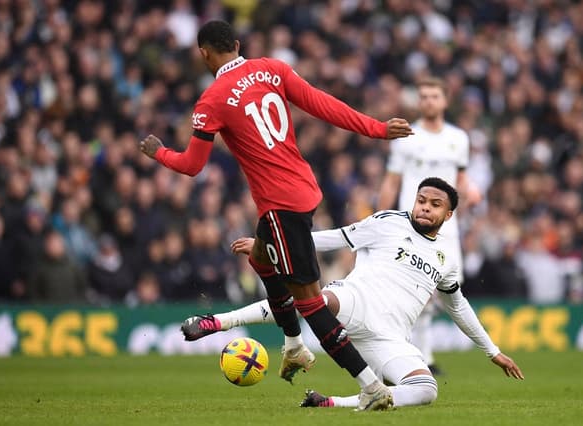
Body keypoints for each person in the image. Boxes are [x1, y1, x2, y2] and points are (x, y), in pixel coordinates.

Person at [139, 20, 414, 411]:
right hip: (303, 189)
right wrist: (376, 129)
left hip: (281, 204)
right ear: (236, 44)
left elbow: (191, 166)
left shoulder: (211, 101)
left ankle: (369, 385)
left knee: (311, 304)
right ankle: (294, 346)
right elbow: (323, 104)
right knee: (260, 257)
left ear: (203, 54)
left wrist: (158, 152)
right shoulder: (273, 69)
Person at [181, 177, 524, 408]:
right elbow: (335, 237)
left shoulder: (446, 258)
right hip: (357, 300)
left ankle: (335, 402)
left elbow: (458, 306)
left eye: (434, 205)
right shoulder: (390, 221)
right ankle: (217, 322)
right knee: (314, 301)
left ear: (448, 215)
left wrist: (492, 351)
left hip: (390, 336)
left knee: (426, 390)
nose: (425, 207)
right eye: (421, 200)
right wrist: (272, 242)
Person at [377, 77, 480, 375]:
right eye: (423, 96)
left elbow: (460, 181)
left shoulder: (459, 138)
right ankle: (415, 357)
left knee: (448, 290)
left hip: (447, 228)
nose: (428, 101)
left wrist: (470, 192)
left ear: (445, 101)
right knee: (413, 292)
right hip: (413, 225)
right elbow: (392, 181)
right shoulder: (407, 136)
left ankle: (422, 355)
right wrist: (381, 220)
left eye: (434, 96)